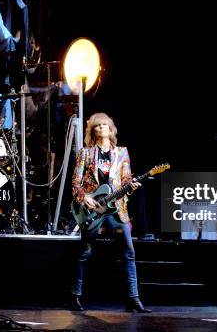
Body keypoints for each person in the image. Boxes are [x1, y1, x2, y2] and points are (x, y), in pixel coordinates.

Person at [70, 112, 150, 313]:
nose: (101, 128)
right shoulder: (85, 153)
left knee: (129, 251)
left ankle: (133, 298)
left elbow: (125, 179)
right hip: (94, 209)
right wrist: (84, 197)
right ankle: (75, 296)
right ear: (93, 130)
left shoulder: (122, 152)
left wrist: (130, 186)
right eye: (97, 126)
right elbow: (75, 182)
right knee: (85, 252)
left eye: (104, 125)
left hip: (116, 209)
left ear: (111, 128)